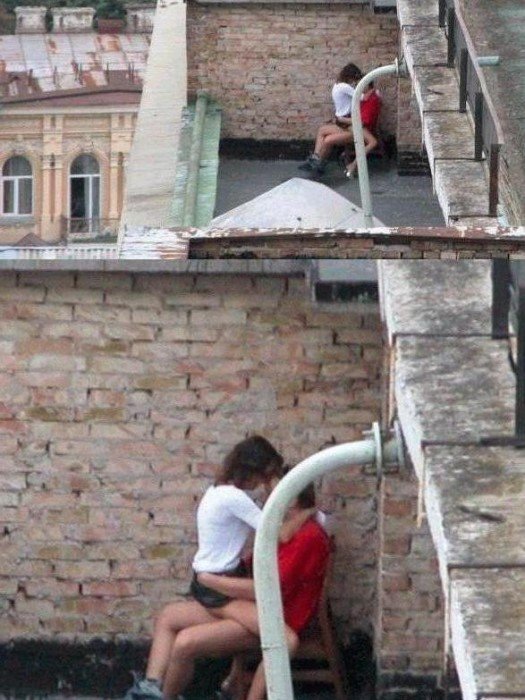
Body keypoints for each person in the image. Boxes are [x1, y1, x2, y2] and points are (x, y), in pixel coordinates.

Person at [124, 437, 315, 700]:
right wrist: (308, 512)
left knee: (169, 617)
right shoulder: (234, 498)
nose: (265, 484)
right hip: (219, 586)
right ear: (253, 471)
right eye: (265, 476)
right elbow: (279, 534)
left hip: (205, 581)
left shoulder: (218, 491)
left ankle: (150, 686)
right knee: (284, 638)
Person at [161, 484, 331, 700]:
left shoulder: (307, 536)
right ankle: (151, 689)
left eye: (272, 491)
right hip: (256, 610)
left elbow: (269, 588)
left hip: (279, 617)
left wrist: (212, 581)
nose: (265, 497)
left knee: (185, 643)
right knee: (169, 615)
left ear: (293, 499)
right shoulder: (288, 530)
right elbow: (254, 565)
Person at [298, 62, 363, 176]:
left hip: (346, 123)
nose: (354, 81)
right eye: (354, 78)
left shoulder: (337, 85)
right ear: (350, 76)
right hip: (344, 121)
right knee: (322, 130)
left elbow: (360, 98)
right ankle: (316, 159)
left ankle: (317, 161)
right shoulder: (345, 87)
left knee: (327, 138)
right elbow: (360, 96)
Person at [343, 81, 382, 178]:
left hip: (361, 126)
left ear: (367, 85)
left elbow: (363, 121)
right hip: (356, 124)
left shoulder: (371, 99)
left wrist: (342, 120)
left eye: (360, 85)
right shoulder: (366, 97)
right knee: (373, 142)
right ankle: (352, 165)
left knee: (373, 142)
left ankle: (353, 165)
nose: (357, 87)